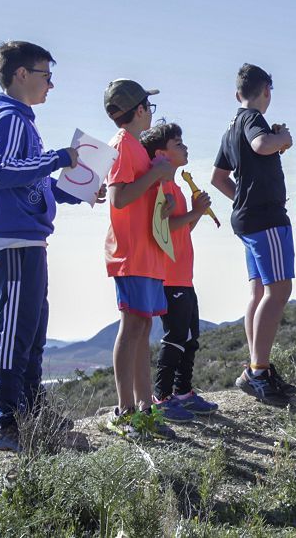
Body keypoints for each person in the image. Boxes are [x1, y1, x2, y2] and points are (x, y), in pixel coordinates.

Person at [0, 41, 85, 452]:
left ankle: (31, 411)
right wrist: (58, 158)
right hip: (15, 242)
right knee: (14, 332)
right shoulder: (8, 119)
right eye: (46, 75)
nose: (51, 85)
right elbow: (3, 172)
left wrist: (76, 191)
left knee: (33, 330)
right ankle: (6, 422)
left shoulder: (23, 121)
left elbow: (31, 178)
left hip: (29, 240)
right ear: (21, 74)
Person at [211, 63, 296, 404]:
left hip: (246, 218)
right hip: (266, 218)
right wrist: (283, 139)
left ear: (237, 94)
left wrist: (241, 200)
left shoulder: (230, 127)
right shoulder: (251, 119)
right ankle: (258, 371)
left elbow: (218, 178)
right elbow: (262, 145)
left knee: (259, 292)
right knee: (279, 290)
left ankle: (256, 368)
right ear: (266, 92)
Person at [103, 78, 178, 439]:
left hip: (147, 252)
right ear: (138, 110)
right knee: (132, 326)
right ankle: (125, 410)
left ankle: (146, 406)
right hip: (131, 252)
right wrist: (155, 174)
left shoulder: (136, 147)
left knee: (144, 327)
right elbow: (118, 198)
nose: (152, 113)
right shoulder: (122, 146)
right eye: (149, 106)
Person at [140, 122, 219, 421]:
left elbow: (182, 229)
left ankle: (183, 392)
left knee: (190, 336)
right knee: (175, 337)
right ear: (162, 153)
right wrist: (196, 211)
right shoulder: (160, 186)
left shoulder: (175, 188)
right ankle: (162, 397)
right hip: (170, 275)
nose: (184, 147)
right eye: (178, 143)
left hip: (184, 275)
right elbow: (160, 229)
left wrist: (194, 211)